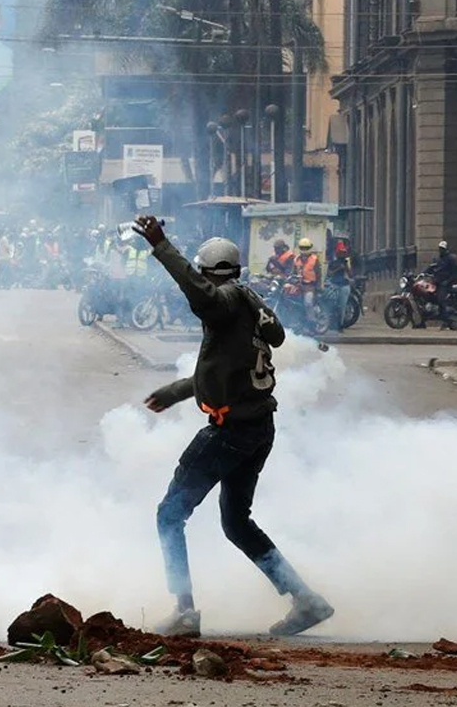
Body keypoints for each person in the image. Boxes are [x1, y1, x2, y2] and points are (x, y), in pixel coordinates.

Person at [131, 213, 334, 639]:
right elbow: (229, 369)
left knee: (170, 514)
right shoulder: (251, 306)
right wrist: (176, 391)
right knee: (236, 522)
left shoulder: (222, 304)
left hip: (230, 433)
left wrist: (162, 246)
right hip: (259, 427)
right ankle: (306, 599)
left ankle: (184, 611)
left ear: (209, 274)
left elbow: (201, 293)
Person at [325, 241, 354, 330]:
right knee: (331, 305)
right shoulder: (333, 262)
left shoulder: (345, 262)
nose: (342, 254)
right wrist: (338, 269)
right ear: (337, 253)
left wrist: (346, 266)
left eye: (344, 253)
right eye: (341, 252)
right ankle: (330, 324)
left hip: (344, 285)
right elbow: (329, 274)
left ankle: (340, 325)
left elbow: (350, 275)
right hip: (334, 285)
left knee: (342, 306)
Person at [293, 237, 321, 315]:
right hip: (299, 286)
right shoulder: (296, 259)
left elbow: (319, 274)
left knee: (308, 303)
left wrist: (318, 288)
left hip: (310, 287)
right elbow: (293, 273)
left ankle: (311, 321)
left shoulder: (315, 259)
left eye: (306, 248)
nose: (304, 250)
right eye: (302, 248)